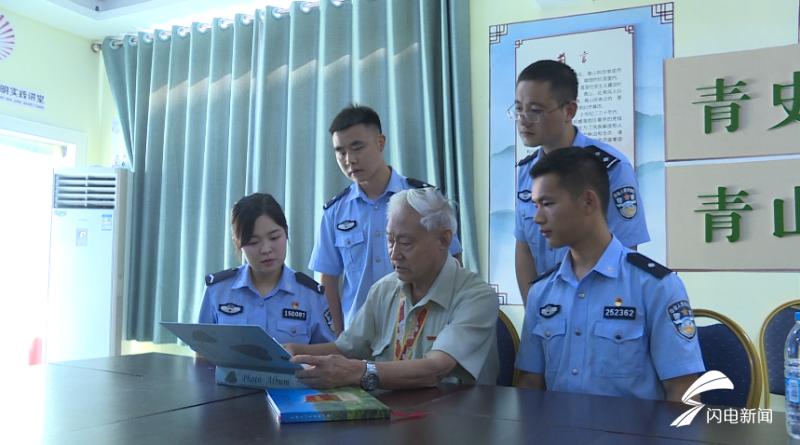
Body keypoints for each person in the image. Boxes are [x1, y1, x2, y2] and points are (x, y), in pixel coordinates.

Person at [514, 148, 704, 401]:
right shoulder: (542, 291)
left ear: (589, 202)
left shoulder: (655, 287)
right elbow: (529, 385)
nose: (537, 218)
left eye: (547, 204)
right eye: (535, 205)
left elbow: (684, 393)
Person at [288, 188, 498, 390]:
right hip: (391, 416)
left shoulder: (477, 297)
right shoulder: (384, 289)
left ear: (444, 240)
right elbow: (345, 350)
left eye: (405, 242)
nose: (394, 254)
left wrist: (360, 371)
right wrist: (295, 352)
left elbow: (435, 368)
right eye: (390, 240)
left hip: (455, 419)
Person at [309, 104, 462, 334]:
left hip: (420, 333)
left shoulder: (423, 200)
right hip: (359, 338)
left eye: (357, 147)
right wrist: (340, 341)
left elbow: (453, 261)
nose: (349, 159)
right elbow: (328, 282)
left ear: (380, 143)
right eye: (340, 151)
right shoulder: (335, 212)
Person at [512, 59, 649, 304]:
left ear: (569, 111)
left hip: (598, 308)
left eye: (535, 110)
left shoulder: (610, 168)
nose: (524, 120)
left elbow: (625, 251)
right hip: (548, 313)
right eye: (519, 109)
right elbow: (524, 248)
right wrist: (535, 310)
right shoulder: (525, 172)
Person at [199, 193, 335, 345]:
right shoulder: (217, 291)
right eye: (253, 242)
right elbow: (202, 354)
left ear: (286, 232)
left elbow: (327, 354)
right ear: (238, 243)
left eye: (274, 238)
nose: (265, 249)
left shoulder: (311, 295)